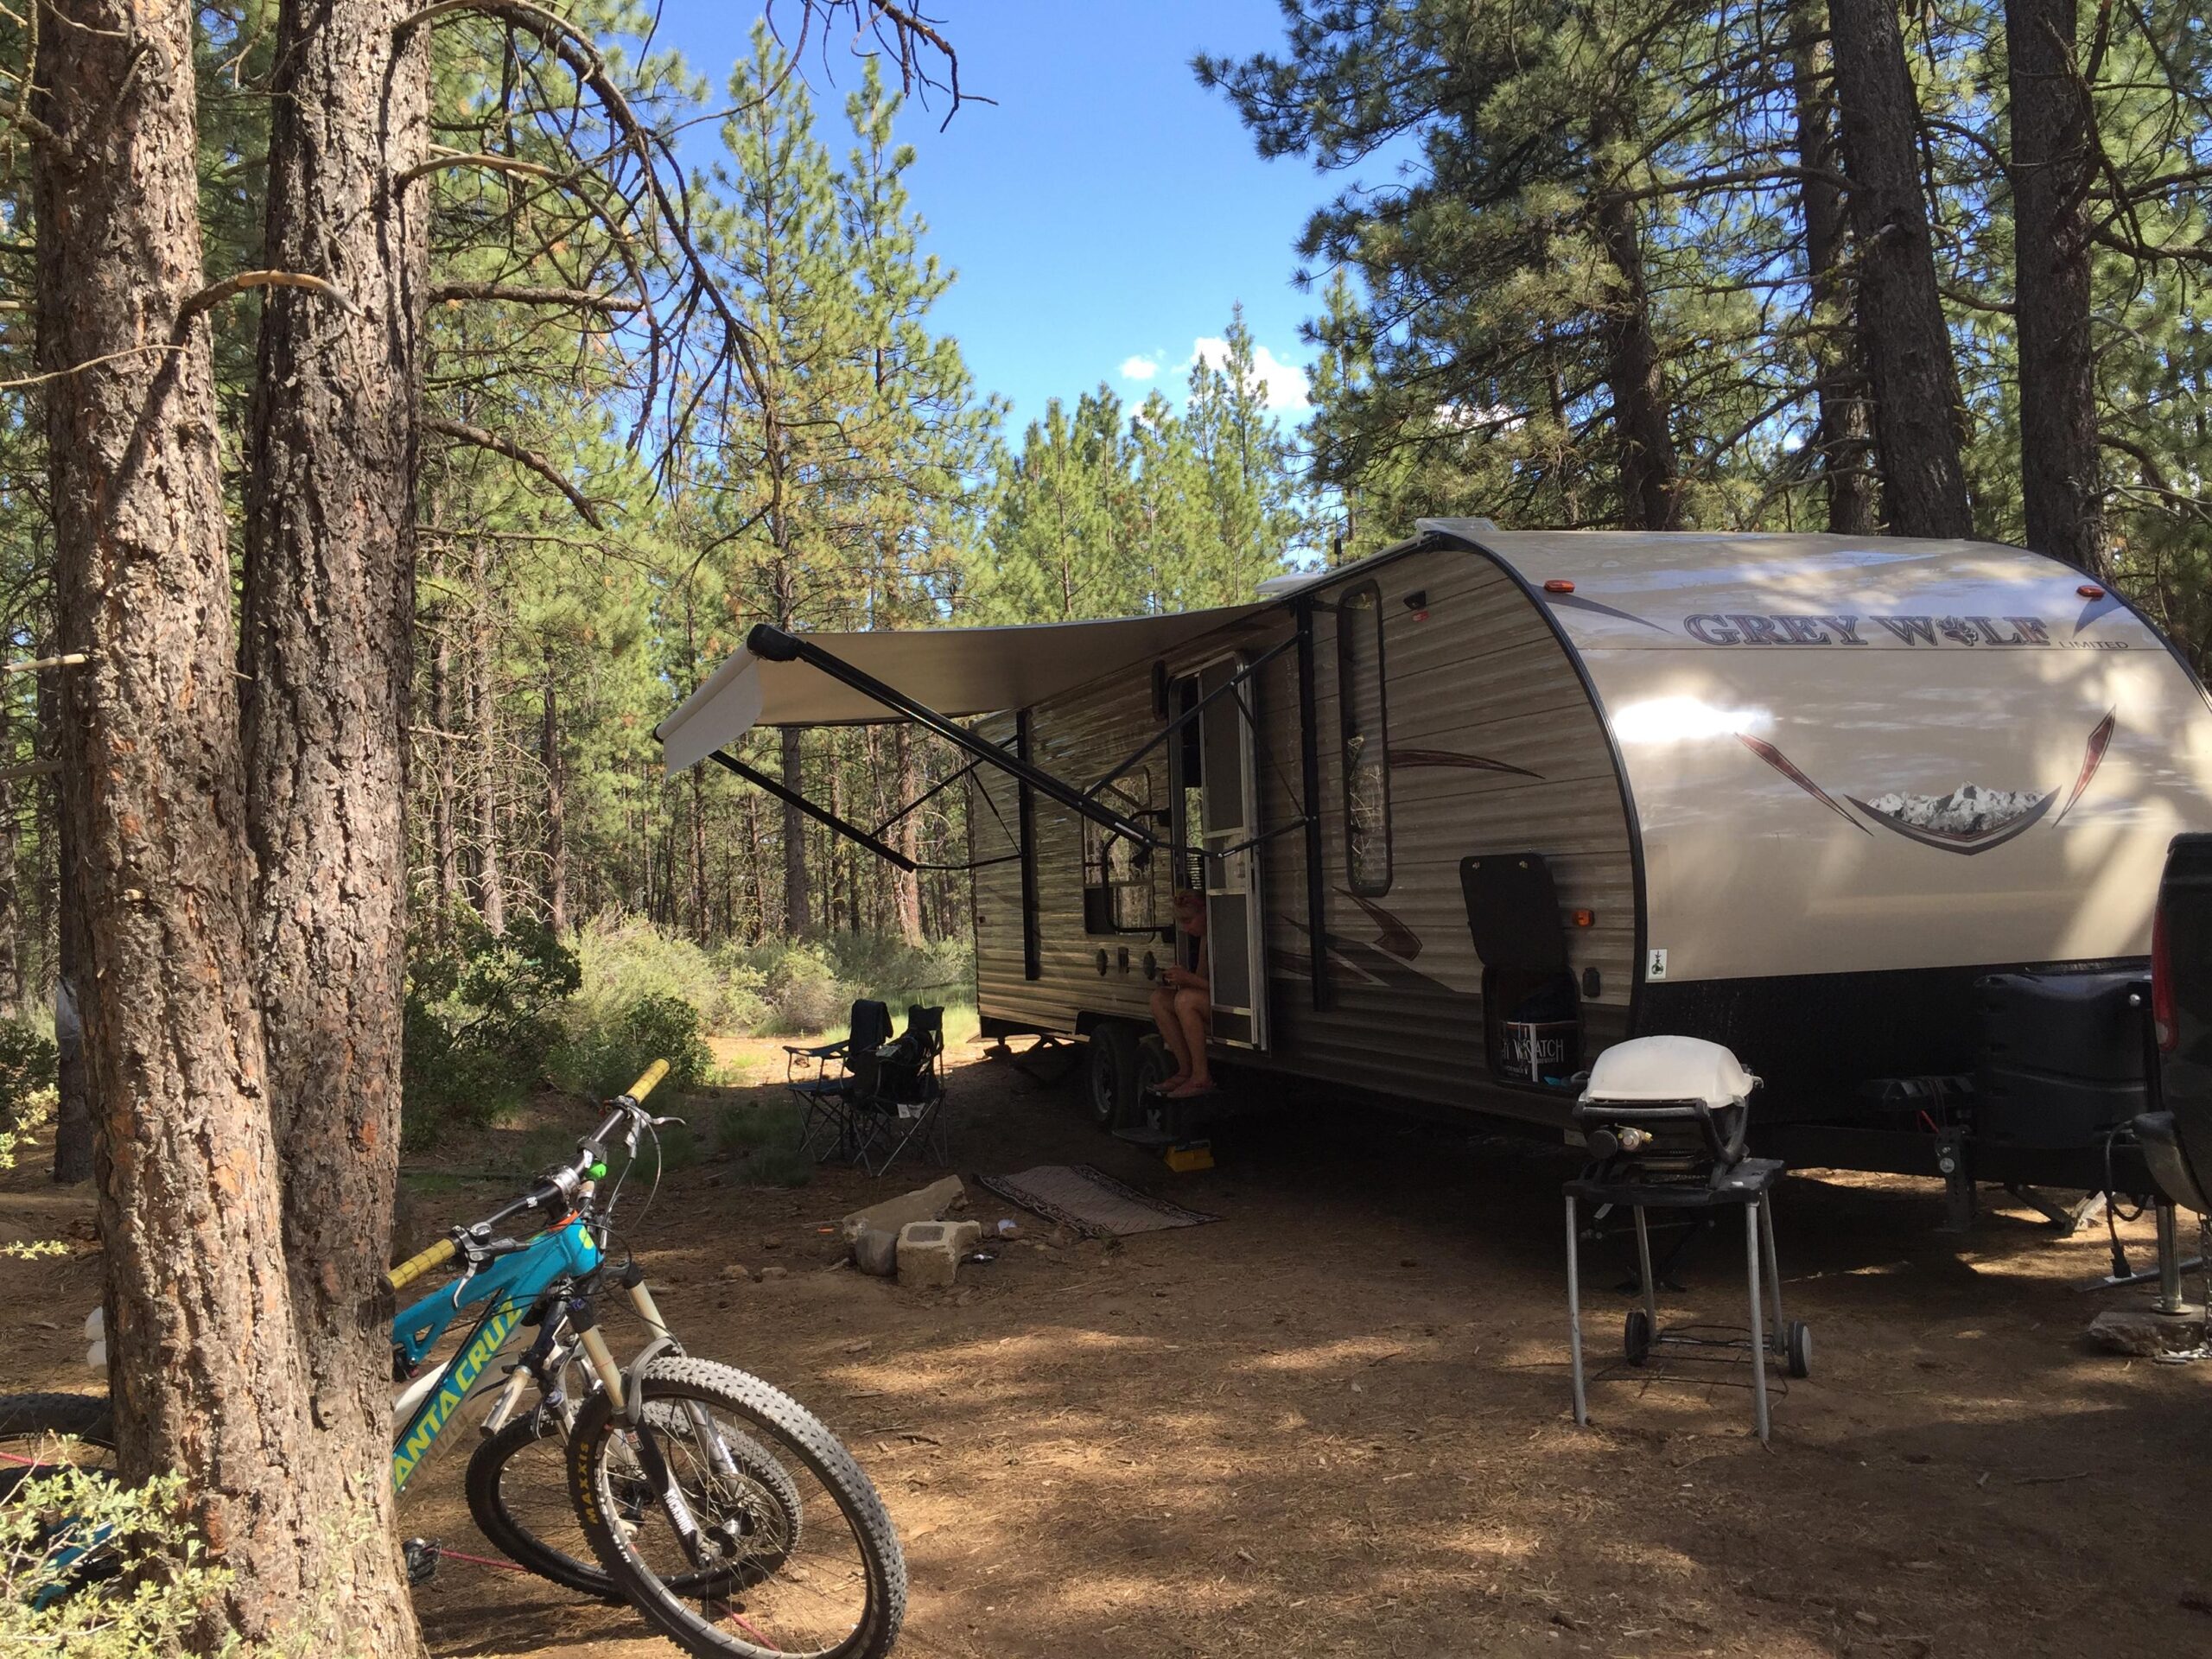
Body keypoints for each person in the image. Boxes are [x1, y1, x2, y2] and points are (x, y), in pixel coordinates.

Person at [1148, 890, 1214, 1097]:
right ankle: (1186, 1070)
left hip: (1238, 1006)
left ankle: (1201, 1077)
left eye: (1188, 920)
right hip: (1213, 1001)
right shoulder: (1205, 937)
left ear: (1205, 912)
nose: (1186, 928)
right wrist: (1181, 979)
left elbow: (1232, 989)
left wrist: (1189, 980)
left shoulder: (1229, 935)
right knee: (1159, 998)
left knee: (1186, 1000)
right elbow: (1202, 983)